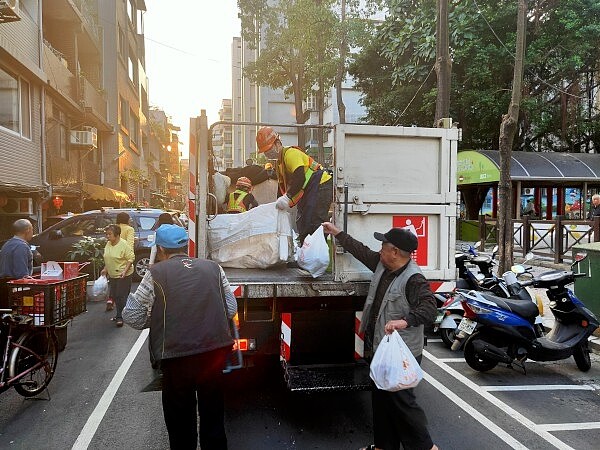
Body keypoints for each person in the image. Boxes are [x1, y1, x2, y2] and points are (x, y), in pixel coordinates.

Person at [321, 221, 438, 450]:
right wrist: (338, 233)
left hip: (402, 354)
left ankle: (426, 447)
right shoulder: (384, 266)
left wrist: (404, 321)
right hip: (383, 349)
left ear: (395, 252)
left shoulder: (414, 278)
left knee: (402, 404)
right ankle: (383, 446)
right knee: (382, 400)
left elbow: (429, 308)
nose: (380, 250)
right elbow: (362, 251)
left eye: (383, 245)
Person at [122, 224, 237, 449]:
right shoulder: (213, 268)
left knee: (180, 419)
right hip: (213, 353)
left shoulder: (155, 273)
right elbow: (230, 308)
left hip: (177, 357)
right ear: (186, 246)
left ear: (160, 250)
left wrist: (155, 319)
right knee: (212, 413)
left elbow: (133, 317)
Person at [256, 126, 333, 245]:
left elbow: (300, 177)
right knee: (303, 222)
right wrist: (278, 204)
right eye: (265, 151)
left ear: (278, 143)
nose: (268, 153)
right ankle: (306, 253)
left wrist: (288, 197)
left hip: (321, 185)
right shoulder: (279, 164)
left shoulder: (290, 154)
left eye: (269, 149)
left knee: (314, 222)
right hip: (311, 188)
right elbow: (283, 187)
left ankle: (317, 254)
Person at [100, 224, 134, 327]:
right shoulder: (108, 244)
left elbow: (130, 258)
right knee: (114, 294)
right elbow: (108, 257)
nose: (108, 236)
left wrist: (124, 271)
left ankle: (120, 316)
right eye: (107, 234)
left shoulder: (124, 245)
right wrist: (105, 269)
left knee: (120, 295)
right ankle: (122, 313)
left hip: (123, 275)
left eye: (110, 234)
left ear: (117, 235)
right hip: (112, 274)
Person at [0, 219, 34, 309]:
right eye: (32, 229)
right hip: (14, 287)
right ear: (27, 230)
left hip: (4, 285)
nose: (32, 232)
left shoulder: (7, 244)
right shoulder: (21, 246)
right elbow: (21, 274)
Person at [106, 212, 135, 311]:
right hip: (124, 259)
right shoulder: (129, 229)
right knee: (123, 288)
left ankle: (110, 299)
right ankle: (122, 311)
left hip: (113, 259)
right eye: (129, 218)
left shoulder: (113, 228)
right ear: (126, 219)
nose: (130, 220)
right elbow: (130, 245)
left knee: (114, 282)